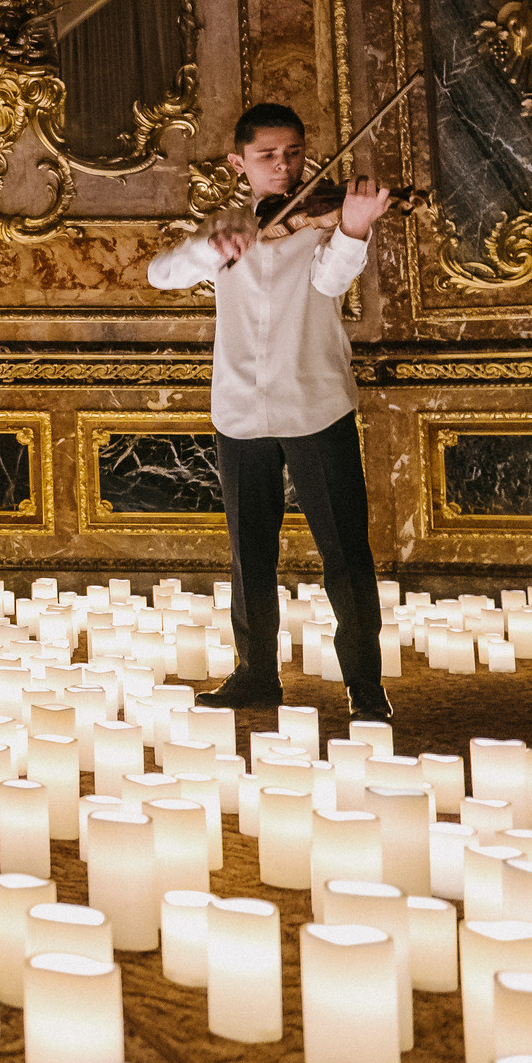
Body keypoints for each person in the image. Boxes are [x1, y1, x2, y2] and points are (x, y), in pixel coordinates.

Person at [146, 101, 392, 722]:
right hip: (240, 411)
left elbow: (331, 283)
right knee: (249, 554)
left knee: (346, 552)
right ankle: (256, 674)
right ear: (239, 164)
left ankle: (365, 684)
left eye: (293, 153)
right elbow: (160, 274)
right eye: (268, 156)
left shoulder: (324, 221)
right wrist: (212, 248)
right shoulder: (225, 229)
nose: (284, 166)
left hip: (316, 405)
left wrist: (354, 230)